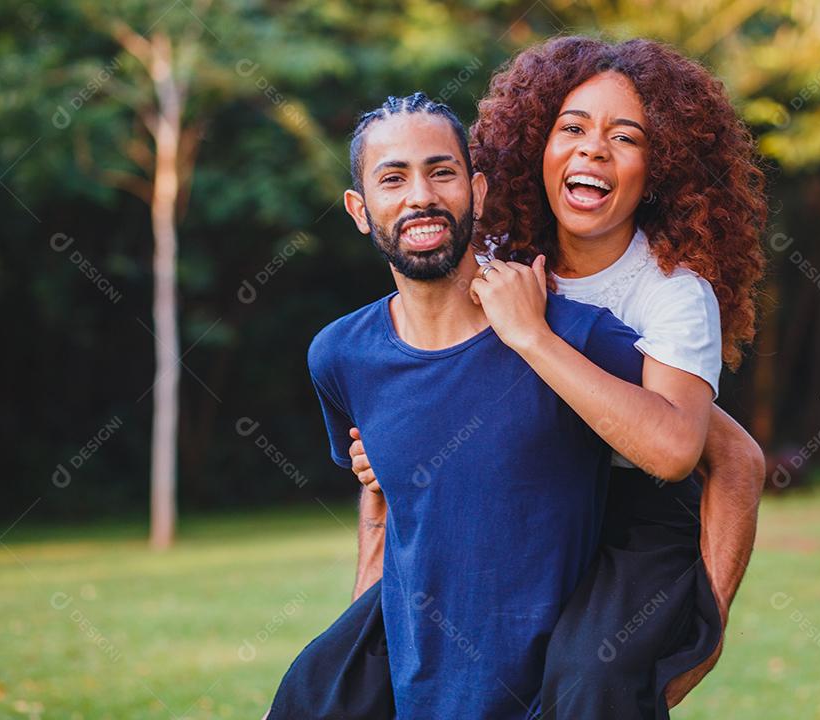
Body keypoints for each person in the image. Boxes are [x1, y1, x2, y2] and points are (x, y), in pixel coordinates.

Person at [348, 36, 768, 718]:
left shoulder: (669, 294)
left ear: (656, 167)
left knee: (587, 682)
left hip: (629, 520)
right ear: (537, 146)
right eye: (571, 128)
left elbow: (710, 456)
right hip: (518, 503)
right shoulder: (488, 256)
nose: (593, 150)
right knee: (331, 680)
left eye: (624, 137)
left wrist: (703, 636)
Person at [266, 93, 647, 720]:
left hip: (554, 701)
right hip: (415, 698)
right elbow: (382, 497)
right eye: (393, 178)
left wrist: (685, 651)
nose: (421, 195)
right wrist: (354, 661)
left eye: (441, 171)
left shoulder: (575, 336)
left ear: (476, 189)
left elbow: (704, 454)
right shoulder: (340, 355)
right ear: (361, 211)